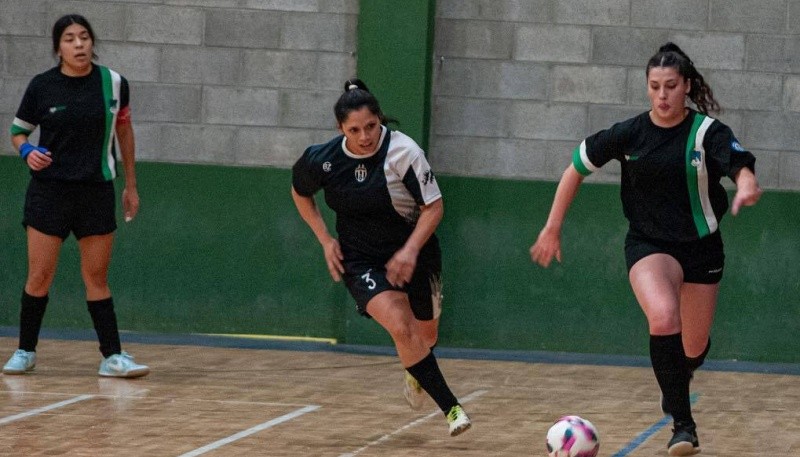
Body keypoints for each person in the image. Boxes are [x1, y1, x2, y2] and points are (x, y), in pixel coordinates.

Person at [530, 42, 762, 456]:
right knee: (663, 315)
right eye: (654, 86)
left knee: (691, 347)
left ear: (686, 85)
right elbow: (575, 168)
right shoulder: (630, 133)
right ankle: (683, 425)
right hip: (649, 244)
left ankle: (677, 375)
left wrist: (746, 184)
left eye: (671, 86)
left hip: (702, 249)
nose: (662, 95)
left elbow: (738, 163)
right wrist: (552, 226)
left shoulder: (707, 133)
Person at [291, 79, 471, 437]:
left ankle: (415, 369)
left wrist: (409, 250)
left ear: (380, 121)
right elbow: (300, 192)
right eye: (354, 129)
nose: (364, 136)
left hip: (415, 252)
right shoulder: (323, 159)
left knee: (425, 334)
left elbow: (434, 207)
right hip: (360, 260)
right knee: (401, 327)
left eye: (371, 126)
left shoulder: (403, 153)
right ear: (341, 129)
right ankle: (452, 409)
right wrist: (325, 240)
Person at [3, 14, 149, 379]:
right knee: (39, 275)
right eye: (70, 38)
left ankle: (112, 356)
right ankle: (25, 351)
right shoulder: (42, 87)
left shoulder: (113, 83)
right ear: (58, 48)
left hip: (96, 191)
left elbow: (125, 133)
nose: (79, 44)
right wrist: (26, 152)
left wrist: (131, 185)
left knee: (97, 276)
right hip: (49, 193)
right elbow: (18, 132)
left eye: (84, 37)